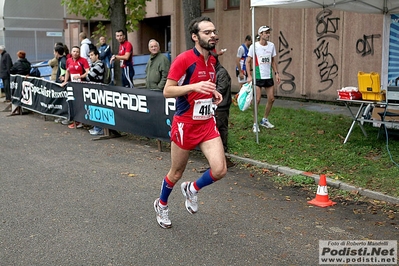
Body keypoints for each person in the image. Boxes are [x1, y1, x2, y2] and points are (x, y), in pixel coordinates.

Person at [153, 16, 226, 229]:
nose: (213, 35)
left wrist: (214, 94)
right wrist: (194, 87)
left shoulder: (212, 60)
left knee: (220, 170)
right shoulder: (184, 59)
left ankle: (192, 188)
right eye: (207, 32)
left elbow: (205, 87)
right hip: (185, 124)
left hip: (206, 123)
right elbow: (168, 91)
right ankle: (162, 204)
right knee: (176, 172)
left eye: (214, 31)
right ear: (195, 37)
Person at [246, 26, 280, 133]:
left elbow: (273, 61)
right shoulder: (254, 46)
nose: (268, 34)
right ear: (260, 34)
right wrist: (249, 75)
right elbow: (248, 61)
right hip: (258, 76)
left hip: (268, 76)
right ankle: (255, 123)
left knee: (271, 99)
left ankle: (264, 119)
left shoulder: (271, 46)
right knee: (257, 99)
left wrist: (276, 73)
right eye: (266, 33)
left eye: (269, 32)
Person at [61, 46, 90, 129]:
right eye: (74, 51)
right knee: (73, 102)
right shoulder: (68, 60)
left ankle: (81, 121)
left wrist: (80, 76)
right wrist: (65, 81)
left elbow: (88, 71)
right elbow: (67, 71)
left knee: (81, 103)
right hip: (72, 85)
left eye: (77, 51)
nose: (75, 53)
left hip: (81, 85)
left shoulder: (83, 60)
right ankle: (76, 121)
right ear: (71, 52)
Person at [86, 48, 105, 135]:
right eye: (89, 55)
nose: (90, 57)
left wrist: (86, 74)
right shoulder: (93, 65)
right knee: (93, 108)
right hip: (93, 89)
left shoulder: (99, 64)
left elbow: (89, 77)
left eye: (92, 55)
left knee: (97, 108)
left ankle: (99, 128)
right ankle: (96, 127)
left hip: (98, 89)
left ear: (97, 55)